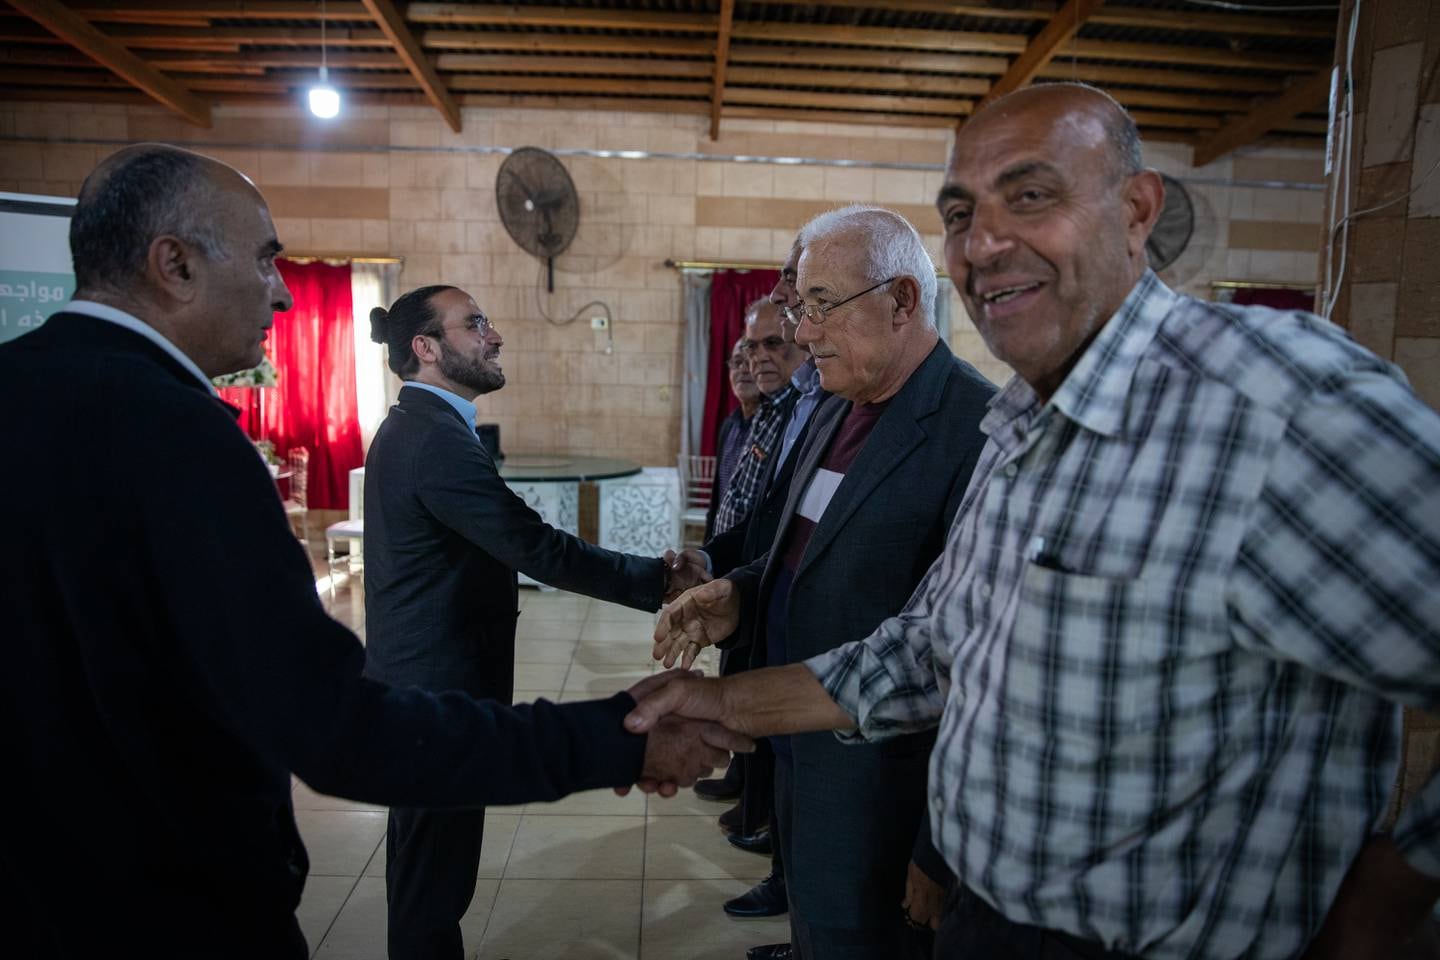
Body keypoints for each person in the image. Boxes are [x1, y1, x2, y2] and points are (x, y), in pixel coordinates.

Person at [631, 83, 1440, 960]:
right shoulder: (1021, 422)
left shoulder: (1276, 400)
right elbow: (927, 651)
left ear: (1137, 210)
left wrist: (1387, 902)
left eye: (1031, 197)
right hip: (991, 921)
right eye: (960, 212)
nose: (983, 244)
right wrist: (716, 701)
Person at [0, 143, 751, 959]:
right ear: (173, 265)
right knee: (428, 878)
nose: (284, 294)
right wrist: (620, 734)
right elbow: (327, 725)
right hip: (159, 905)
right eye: (263, 260)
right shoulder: (183, 437)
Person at [659, 205, 994, 960]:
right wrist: (739, 596)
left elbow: (970, 660)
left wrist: (939, 851)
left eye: (820, 307)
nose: (804, 334)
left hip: (885, 793)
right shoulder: (834, 411)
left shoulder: (976, 430)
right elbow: (792, 552)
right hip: (798, 758)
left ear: (903, 299)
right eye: (799, 309)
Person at [363, 283, 712, 959]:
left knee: (428, 865)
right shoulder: (434, 439)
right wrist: (661, 580)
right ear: (425, 348)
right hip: (433, 689)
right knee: (432, 878)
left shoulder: (423, 427)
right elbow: (534, 546)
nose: (494, 336)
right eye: (475, 324)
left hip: (420, 679)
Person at [711, 299, 807, 536]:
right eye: (751, 347)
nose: (759, 357)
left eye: (773, 343)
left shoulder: (806, 413)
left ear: (801, 344)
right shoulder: (764, 411)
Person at [706, 336, 762, 541]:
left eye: (749, 362)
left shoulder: (775, 428)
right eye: (737, 362)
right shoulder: (729, 425)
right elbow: (717, 499)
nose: (743, 370)